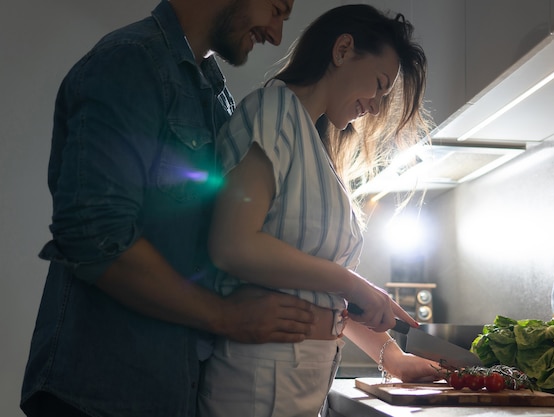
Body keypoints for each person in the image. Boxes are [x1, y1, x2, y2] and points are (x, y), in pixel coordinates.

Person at [20, 1, 320, 416]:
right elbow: (95, 236)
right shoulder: (129, 62)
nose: (276, 35)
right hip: (98, 395)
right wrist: (228, 317)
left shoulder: (218, 98)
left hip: (171, 389)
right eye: (275, 9)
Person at [198, 5, 441, 417]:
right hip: (259, 378)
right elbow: (233, 245)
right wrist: (354, 285)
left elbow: (315, 290)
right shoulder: (274, 111)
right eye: (379, 86)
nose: (376, 108)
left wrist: (391, 356)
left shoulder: (317, 148)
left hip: (296, 376)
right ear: (343, 49)